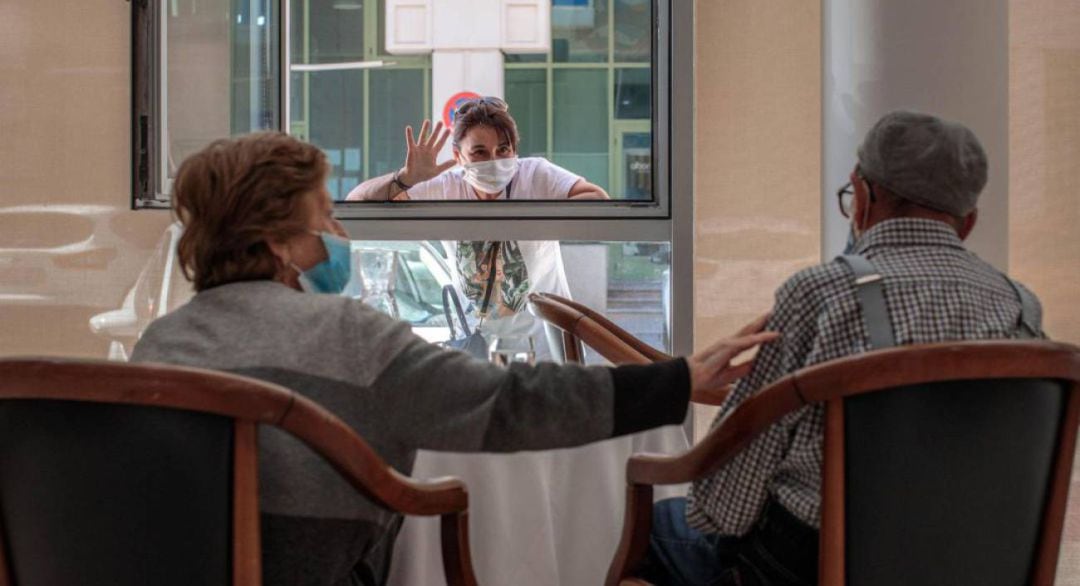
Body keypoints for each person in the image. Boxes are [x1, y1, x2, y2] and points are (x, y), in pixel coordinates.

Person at [130, 131, 775, 586]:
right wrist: (679, 378)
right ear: (276, 242)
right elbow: (509, 404)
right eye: (324, 219)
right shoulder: (348, 335)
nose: (339, 236)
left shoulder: (161, 345)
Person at [637, 110, 1045, 586]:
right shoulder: (1021, 308)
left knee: (660, 527)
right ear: (968, 222)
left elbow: (723, 508)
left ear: (863, 198)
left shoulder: (821, 293)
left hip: (821, 565)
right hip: (977, 563)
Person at [345, 97, 608, 359]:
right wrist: (404, 179)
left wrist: (535, 216)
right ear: (459, 156)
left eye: (503, 150)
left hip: (543, 347)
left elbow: (598, 201)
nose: (493, 160)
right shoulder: (445, 187)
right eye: (479, 152)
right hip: (475, 349)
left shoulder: (536, 174)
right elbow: (356, 203)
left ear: (515, 151)